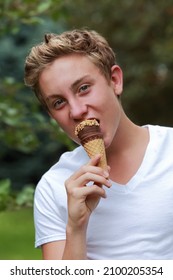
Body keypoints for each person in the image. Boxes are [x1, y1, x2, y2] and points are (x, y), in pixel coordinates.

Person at [24, 29, 173, 260]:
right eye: (59, 102)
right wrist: (76, 227)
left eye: (83, 88)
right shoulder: (53, 187)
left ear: (115, 81)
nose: (77, 111)